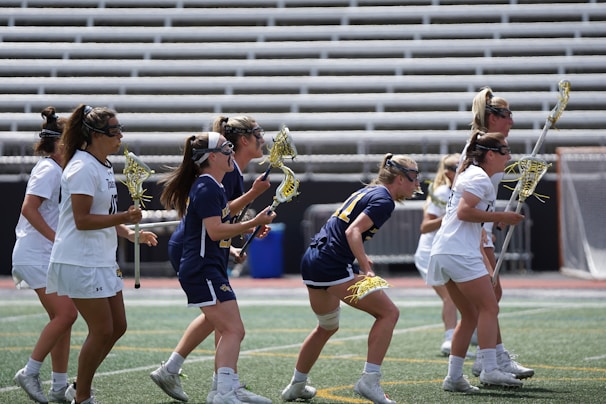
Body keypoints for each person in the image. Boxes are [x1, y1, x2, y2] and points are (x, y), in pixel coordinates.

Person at [281, 153, 420, 404]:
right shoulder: (383, 200)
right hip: (330, 264)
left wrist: (358, 259)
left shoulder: (369, 192)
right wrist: (366, 267)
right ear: (400, 178)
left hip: (313, 259)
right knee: (389, 313)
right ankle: (369, 380)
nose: (417, 185)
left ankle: (297, 384)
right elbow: (352, 231)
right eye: (414, 178)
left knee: (327, 326)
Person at [151, 116, 272, 403]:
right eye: (226, 149)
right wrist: (252, 220)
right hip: (201, 261)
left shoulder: (215, 182)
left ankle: (223, 386)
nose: (230, 153)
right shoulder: (209, 184)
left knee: (225, 323)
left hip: (208, 257)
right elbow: (215, 227)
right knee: (230, 327)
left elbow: (220, 218)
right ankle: (222, 390)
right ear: (212, 157)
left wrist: (241, 231)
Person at [45, 104, 158, 404]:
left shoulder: (103, 165)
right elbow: (82, 221)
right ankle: (82, 396)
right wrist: (124, 218)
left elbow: (103, 214)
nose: (120, 135)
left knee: (117, 326)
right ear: (95, 135)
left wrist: (132, 233)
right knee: (102, 329)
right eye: (114, 131)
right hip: (80, 260)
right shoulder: (82, 167)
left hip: (100, 259)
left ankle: (78, 386)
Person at [428, 131, 525, 392]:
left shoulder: (472, 174)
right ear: (490, 154)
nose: (510, 157)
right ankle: (491, 369)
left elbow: (467, 213)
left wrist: (496, 218)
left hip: (445, 251)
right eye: (505, 151)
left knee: (470, 315)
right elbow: (464, 211)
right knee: (489, 307)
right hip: (458, 252)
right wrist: (502, 215)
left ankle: (454, 377)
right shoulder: (479, 176)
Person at [12, 107, 79, 403]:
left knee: (62, 318)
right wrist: (58, 239)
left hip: (43, 254)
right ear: (62, 144)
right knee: (67, 314)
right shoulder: (48, 169)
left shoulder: (55, 169)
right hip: (36, 254)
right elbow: (28, 208)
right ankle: (29, 371)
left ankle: (57, 387)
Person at [466, 88, 534, 380]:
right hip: (469, 233)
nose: (512, 121)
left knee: (492, 295)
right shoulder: (482, 148)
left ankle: (490, 357)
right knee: (488, 298)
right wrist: (492, 222)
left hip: (480, 229)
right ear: (493, 117)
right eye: (507, 115)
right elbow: (465, 199)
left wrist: (494, 219)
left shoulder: (492, 144)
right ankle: (489, 361)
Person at [413, 153, 461, 356]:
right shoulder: (441, 193)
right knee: (450, 296)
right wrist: (452, 216)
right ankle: (450, 339)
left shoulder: (460, 191)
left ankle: (466, 334)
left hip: (446, 251)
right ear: (449, 173)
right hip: (431, 252)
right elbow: (425, 226)